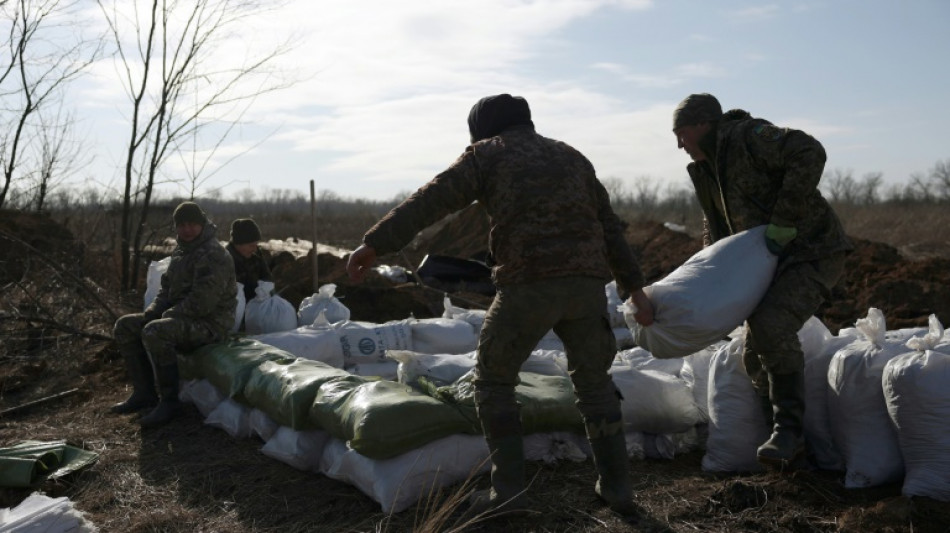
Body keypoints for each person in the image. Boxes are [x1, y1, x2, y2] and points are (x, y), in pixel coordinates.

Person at [346, 93, 655, 518]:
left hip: (528, 285)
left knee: (492, 381)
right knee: (595, 383)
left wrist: (373, 244)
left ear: (482, 129)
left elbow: (431, 201)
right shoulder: (573, 157)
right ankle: (618, 490)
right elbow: (611, 230)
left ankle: (507, 492)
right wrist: (635, 290)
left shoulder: (487, 155)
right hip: (586, 287)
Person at [671, 93, 853, 469]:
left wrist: (785, 219)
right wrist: (712, 275)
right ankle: (786, 446)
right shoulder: (707, 171)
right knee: (753, 353)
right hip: (766, 263)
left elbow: (809, 151)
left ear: (704, 125)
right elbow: (716, 226)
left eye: (682, 134)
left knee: (771, 325)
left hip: (810, 251)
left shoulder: (748, 137)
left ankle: (788, 430)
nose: (680, 145)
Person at [111, 201, 237, 428]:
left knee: (156, 331)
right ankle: (144, 393)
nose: (187, 229)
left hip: (210, 324)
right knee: (125, 326)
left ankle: (169, 402)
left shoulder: (213, 254)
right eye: (182, 225)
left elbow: (202, 303)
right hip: (182, 317)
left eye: (192, 224)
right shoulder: (181, 251)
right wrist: (153, 312)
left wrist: (165, 316)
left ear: (202, 224)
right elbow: (166, 290)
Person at [226, 218, 272, 302]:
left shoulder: (256, 254)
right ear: (238, 244)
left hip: (258, 305)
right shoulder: (224, 260)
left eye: (256, 245)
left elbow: (267, 277)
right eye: (251, 246)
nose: (255, 249)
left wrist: (266, 290)